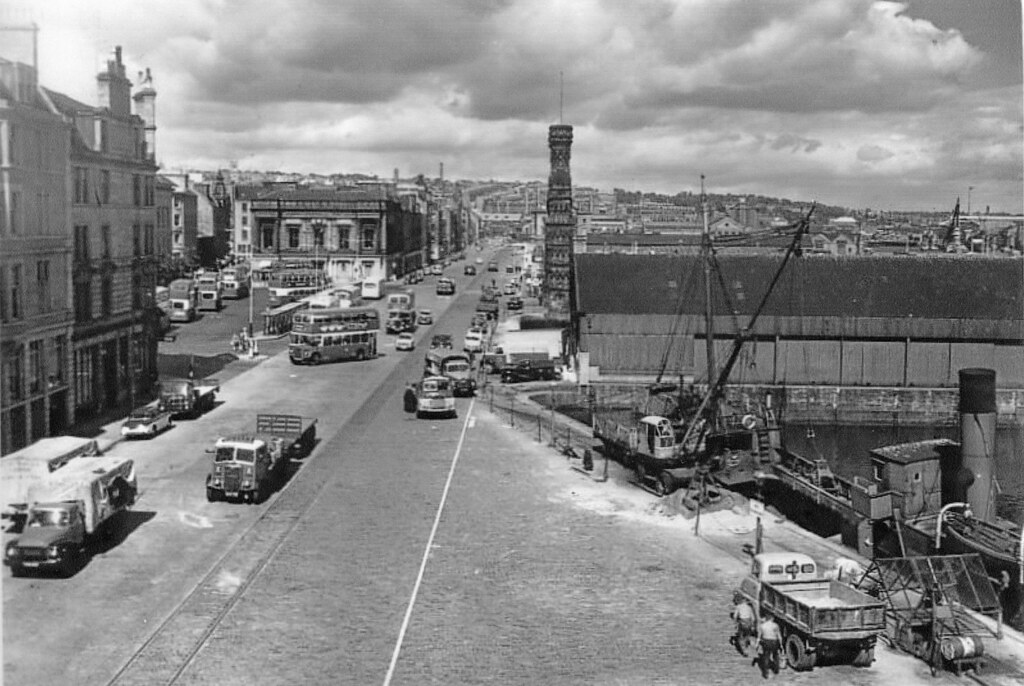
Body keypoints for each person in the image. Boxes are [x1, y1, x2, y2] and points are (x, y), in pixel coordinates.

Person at [756, 612, 782, 677]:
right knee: (775, 655)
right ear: (772, 618)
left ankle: (765, 673)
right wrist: (781, 645)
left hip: (766, 641)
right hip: (774, 642)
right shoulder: (775, 625)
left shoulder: (762, 626)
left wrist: (757, 645)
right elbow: (779, 636)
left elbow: (759, 637)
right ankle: (776, 669)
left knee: (766, 657)